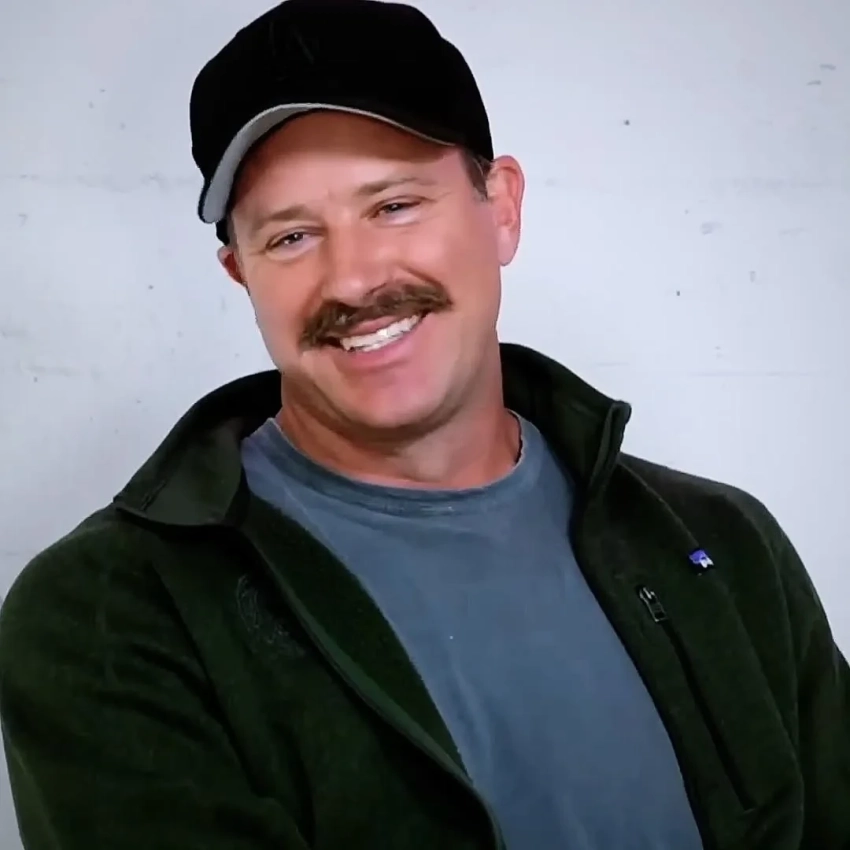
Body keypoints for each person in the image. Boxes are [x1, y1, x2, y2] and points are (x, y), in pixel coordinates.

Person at [1, 1, 847, 848]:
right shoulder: (110, 613)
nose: (353, 278)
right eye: (291, 237)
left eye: (395, 205)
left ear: (502, 206)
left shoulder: (721, 546)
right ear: (240, 272)